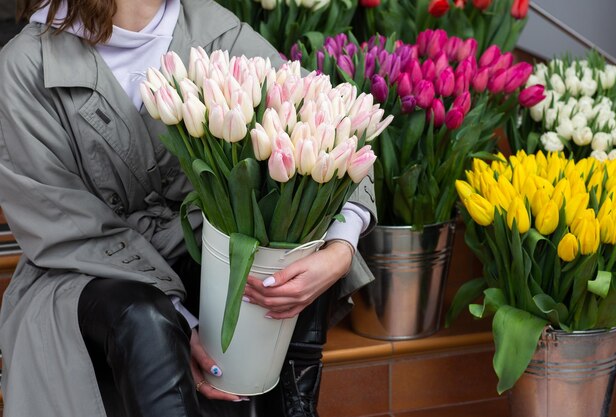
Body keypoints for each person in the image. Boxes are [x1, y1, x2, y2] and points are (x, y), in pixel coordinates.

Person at [0, 0, 377, 416]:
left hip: (197, 247)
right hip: (86, 271)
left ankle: (295, 407)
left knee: (282, 243)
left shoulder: (212, 30)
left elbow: (329, 124)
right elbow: (65, 224)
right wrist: (183, 320)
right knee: (144, 318)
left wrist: (340, 251)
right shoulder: (26, 66)